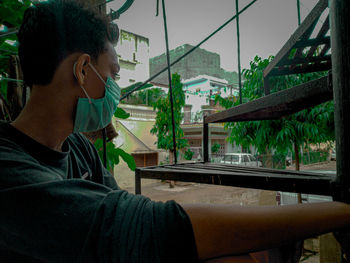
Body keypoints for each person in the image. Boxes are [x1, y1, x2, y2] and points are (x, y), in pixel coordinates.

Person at [0, 1, 349, 262]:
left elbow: (137, 216)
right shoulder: (10, 173)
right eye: (115, 73)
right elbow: (151, 228)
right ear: (82, 71)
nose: (116, 86)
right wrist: (341, 211)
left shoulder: (78, 150)